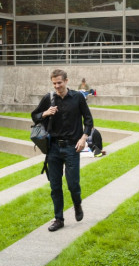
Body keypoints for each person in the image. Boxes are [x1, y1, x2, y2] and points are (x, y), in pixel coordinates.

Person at [31, 69, 94, 232]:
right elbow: (34, 116)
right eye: (54, 83)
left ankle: (77, 204)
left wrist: (83, 138)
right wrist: (45, 113)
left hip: (73, 147)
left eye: (59, 82)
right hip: (53, 148)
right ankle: (58, 218)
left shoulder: (78, 97)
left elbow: (88, 120)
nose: (57, 86)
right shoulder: (49, 98)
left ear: (66, 81)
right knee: (55, 186)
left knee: (73, 184)